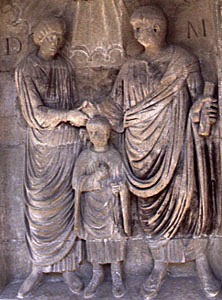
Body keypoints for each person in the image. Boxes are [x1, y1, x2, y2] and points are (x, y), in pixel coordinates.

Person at [82, 5, 219, 300]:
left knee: (190, 203)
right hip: (139, 150)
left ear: (159, 27)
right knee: (150, 211)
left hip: (178, 144)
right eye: (136, 29)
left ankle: (202, 265)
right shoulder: (130, 67)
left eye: (146, 27)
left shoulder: (184, 61)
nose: (141, 33)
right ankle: (159, 266)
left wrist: (202, 111)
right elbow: (116, 108)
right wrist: (95, 111)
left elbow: (198, 101)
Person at [15, 17, 88, 298]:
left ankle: (68, 268)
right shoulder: (27, 68)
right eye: (50, 37)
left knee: (69, 204)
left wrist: (79, 110)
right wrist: (68, 115)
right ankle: (37, 267)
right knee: (40, 207)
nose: (56, 42)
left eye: (59, 37)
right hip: (43, 149)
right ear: (39, 38)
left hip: (68, 145)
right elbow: (35, 114)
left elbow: (69, 104)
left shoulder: (65, 65)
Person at [72, 116, 130, 298]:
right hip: (91, 207)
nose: (96, 136)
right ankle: (96, 274)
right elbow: (76, 183)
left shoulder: (114, 156)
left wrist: (120, 188)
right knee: (94, 241)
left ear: (108, 134)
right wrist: (95, 178)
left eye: (100, 132)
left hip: (110, 207)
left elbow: (124, 180)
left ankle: (116, 274)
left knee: (114, 238)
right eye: (92, 133)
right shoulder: (85, 157)